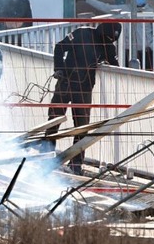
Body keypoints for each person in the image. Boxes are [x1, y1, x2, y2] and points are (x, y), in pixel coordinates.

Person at [43, 22, 122, 175]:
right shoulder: (81, 33)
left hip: (84, 88)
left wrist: (119, 68)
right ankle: (46, 156)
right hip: (65, 82)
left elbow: (115, 64)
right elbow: (60, 47)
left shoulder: (108, 46)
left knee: (82, 127)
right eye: (107, 38)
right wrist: (59, 69)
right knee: (54, 120)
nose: (108, 42)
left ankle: (76, 163)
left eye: (111, 40)